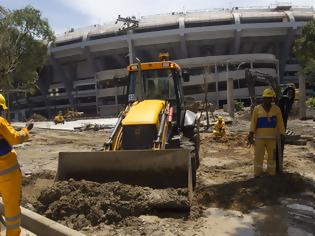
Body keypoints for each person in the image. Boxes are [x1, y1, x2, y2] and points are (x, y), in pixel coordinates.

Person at [0, 94, 33, 235]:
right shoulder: (0, 121)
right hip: (6, 173)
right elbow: (14, 138)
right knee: (11, 209)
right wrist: (26, 130)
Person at [248, 88, 285, 177]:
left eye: (270, 98)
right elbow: (253, 122)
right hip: (259, 138)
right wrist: (250, 134)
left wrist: (282, 134)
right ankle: (257, 174)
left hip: (272, 138)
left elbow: (280, 122)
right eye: (266, 98)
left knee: (272, 157)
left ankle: (271, 173)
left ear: (272, 99)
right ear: (263, 98)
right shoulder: (257, 109)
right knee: (258, 157)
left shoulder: (276, 109)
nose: (268, 100)